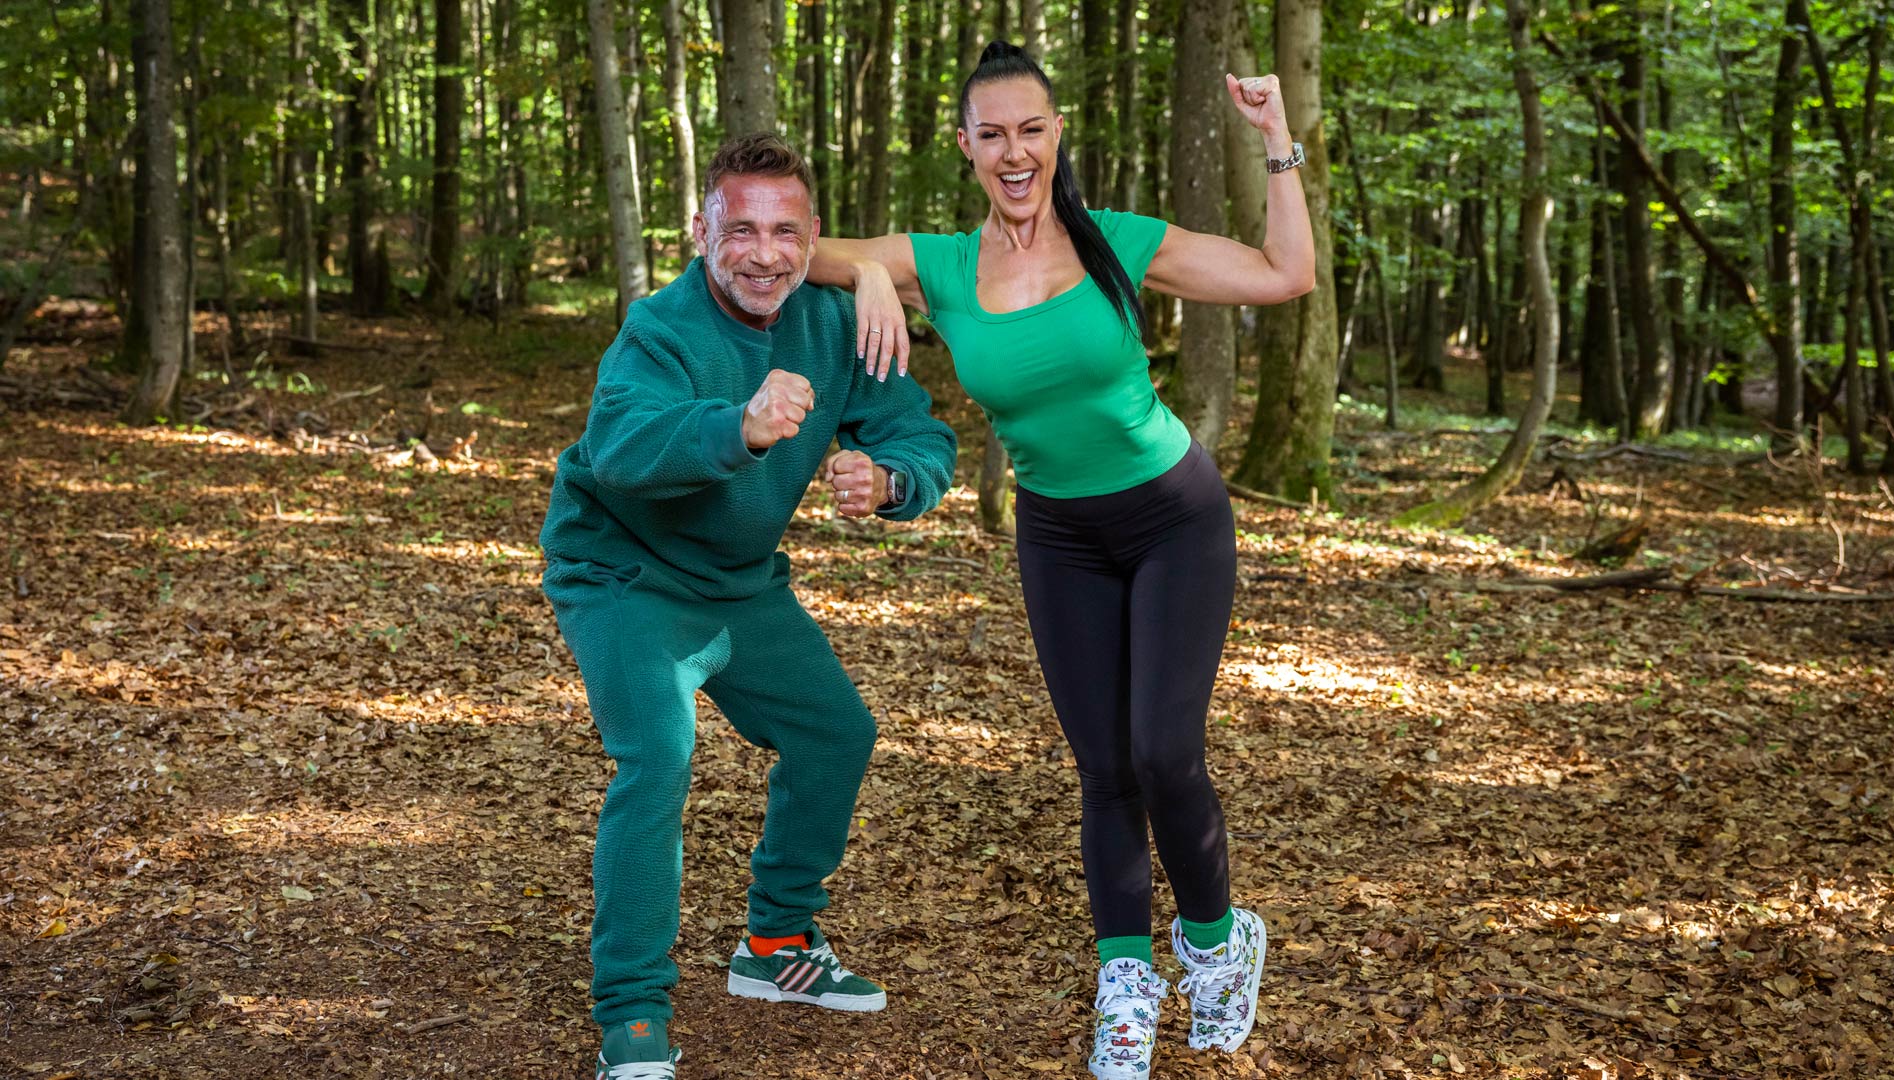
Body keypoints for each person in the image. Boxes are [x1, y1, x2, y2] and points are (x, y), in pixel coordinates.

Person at [808, 41, 1314, 1080]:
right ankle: (1125, 983)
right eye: (991, 134)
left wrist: (1276, 143)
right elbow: (791, 246)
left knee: (1167, 751)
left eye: (1030, 129)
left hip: (1174, 517)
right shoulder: (942, 264)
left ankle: (1217, 944)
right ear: (965, 147)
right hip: (1061, 536)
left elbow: (1283, 276)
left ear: (1057, 133)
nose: (1013, 151)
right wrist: (866, 268)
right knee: (1104, 766)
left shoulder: (1117, 242)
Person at [540, 132, 958, 1080]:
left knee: (836, 733)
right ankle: (634, 1014)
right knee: (658, 754)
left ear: (814, 242)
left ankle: (774, 948)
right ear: (701, 231)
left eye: (786, 231)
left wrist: (892, 481)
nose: (764, 252)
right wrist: (739, 426)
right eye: (741, 229)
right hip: (624, 574)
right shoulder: (660, 327)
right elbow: (620, 447)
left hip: (737, 583)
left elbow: (920, 433)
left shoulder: (835, 317)